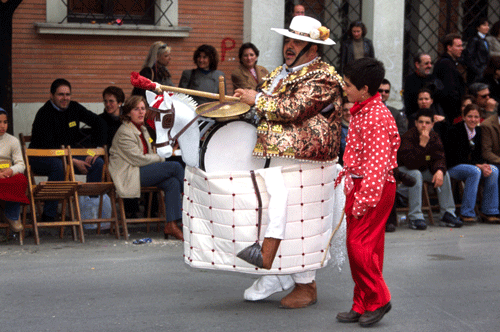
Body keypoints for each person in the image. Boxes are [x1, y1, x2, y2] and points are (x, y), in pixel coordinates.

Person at [234, 15, 342, 309]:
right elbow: (262, 105)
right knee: (273, 216)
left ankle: (307, 285)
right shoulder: (281, 72)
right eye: (289, 40)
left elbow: (293, 108)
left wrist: (255, 99)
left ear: (314, 49)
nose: (290, 46)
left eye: (298, 42)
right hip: (277, 157)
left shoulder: (324, 76)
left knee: (299, 223)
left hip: (309, 163)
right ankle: (278, 273)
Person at [334, 58, 398, 327]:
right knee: (368, 250)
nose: (344, 88)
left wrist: (362, 200)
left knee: (358, 246)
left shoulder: (376, 117)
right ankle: (362, 304)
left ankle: (379, 299)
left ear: (364, 88)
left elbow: (377, 166)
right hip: (364, 186)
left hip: (373, 188)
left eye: (348, 85)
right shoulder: (364, 110)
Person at [29, 78, 106, 222]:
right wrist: (73, 161)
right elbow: (49, 147)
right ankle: (48, 216)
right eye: (60, 94)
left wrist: (96, 149)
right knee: (58, 166)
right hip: (42, 156)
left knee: (98, 163)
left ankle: (89, 211)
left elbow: (99, 122)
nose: (65, 98)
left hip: (70, 155)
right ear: (51, 95)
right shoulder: (44, 114)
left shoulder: (74, 107)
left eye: (68, 94)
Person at [108, 96, 184, 240]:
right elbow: (139, 159)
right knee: (174, 166)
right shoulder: (125, 131)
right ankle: (192, 203)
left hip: (140, 171)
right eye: (136, 109)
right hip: (130, 174)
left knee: (172, 182)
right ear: (128, 113)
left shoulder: (142, 129)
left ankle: (172, 225)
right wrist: (163, 157)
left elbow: (148, 155)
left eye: (143, 109)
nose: (141, 112)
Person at [398, 109, 463, 231]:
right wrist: (422, 145)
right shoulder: (408, 136)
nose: (424, 125)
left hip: (422, 168)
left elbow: (439, 157)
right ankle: (415, 217)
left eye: (427, 122)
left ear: (432, 124)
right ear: (416, 123)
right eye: (421, 122)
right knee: (416, 174)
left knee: (444, 174)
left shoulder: (434, 136)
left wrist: (439, 170)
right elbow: (411, 164)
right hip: (405, 169)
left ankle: (447, 213)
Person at [444, 104, 500, 223]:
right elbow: (455, 156)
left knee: (493, 170)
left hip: (473, 166)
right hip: (453, 167)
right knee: (474, 171)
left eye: (476, 117)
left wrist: (483, 165)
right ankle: (466, 212)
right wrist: (478, 166)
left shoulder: (479, 131)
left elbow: (480, 155)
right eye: (470, 116)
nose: (473, 120)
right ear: (463, 117)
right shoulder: (454, 130)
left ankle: (489, 211)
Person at [0, 108, 30, 232]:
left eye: (5, 122)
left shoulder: (13, 141)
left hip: (7, 174)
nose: (2, 126)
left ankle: (12, 216)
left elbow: (21, 164)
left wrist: (10, 171)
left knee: (21, 179)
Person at [434, 33, 466, 123]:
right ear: (449, 48)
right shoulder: (446, 64)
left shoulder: (449, 63)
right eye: (458, 46)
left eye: (461, 46)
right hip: (448, 111)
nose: (461, 49)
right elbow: (450, 90)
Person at [403, 52, 444, 117]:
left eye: (431, 63)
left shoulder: (435, 79)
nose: (430, 66)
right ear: (417, 65)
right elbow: (409, 104)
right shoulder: (410, 81)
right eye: (426, 63)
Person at [463, 18, 490, 85]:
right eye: (484, 25)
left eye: (488, 25)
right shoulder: (474, 40)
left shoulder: (485, 40)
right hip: (476, 72)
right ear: (478, 27)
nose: (487, 27)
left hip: (484, 71)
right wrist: (477, 70)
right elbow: (469, 56)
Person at [339, 99, 353, 166]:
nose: (348, 112)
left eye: (351, 110)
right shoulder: (338, 129)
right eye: (345, 110)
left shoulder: (364, 126)